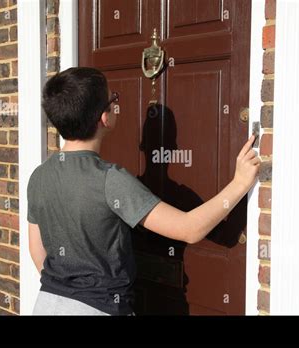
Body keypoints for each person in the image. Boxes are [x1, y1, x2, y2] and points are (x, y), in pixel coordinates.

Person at [28, 67, 261, 316]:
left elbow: (37, 249)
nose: (116, 104)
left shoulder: (39, 176)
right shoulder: (110, 180)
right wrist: (240, 183)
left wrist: (68, 293)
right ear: (104, 118)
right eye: (113, 100)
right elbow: (189, 229)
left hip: (46, 305)